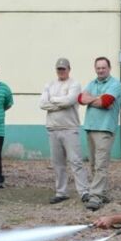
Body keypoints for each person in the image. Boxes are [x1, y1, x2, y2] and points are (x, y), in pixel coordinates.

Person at [40, 57, 90, 204]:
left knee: (76, 161)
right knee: (57, 163)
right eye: (59, 69)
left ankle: (84, 191)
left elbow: (70, 101)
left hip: (70, 128)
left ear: (69, 69)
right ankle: (61, 192)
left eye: (63, 69)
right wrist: (61, 102)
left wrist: (53, 100)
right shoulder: (49, 84)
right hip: (53, 128)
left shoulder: (75, 84)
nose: (61, 71)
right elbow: (42, 103)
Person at [78, 57, 121, 210]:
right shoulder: (92, 83)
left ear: (109, 68)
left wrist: (94, 100)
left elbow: (106, 102)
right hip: (90, 127)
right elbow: (80, 98)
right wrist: (96, 99)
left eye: (103, 68)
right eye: (98, 68)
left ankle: (95, 196)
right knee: (93, 163)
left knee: (101, 164)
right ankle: (101, 193)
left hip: (105, 128)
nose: (100, 70)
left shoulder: (115, 84)